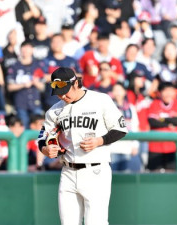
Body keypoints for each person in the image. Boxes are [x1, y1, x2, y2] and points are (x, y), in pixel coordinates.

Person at [37, 67, 127, 224]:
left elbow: (120, 129)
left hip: (96, 171)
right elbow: (42, 138)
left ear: (76, 83)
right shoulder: (54, 111)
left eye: (65, 90)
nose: (62, 95)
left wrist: (100, 141)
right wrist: (45, 149)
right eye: (58, 92)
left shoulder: (100, 100)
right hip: (68, 171)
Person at [147, 82, 177, 172]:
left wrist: (162, 119)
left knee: (171, 175)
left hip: (172, 147)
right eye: (165, 91)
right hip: (155, 147)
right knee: (154, 175)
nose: (168, 93)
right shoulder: (154, 104)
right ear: (160, 92)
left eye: (170, 91)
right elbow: (152, 122)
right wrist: (169, 123)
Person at [6, 40, 46, 128]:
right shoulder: (15, 66)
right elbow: (10, 87)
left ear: (32, 50)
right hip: (21, 103)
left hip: (36, 103)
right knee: (23, 128)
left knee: (39, 129)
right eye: (23, 48)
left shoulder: (38, 65)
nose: (26, 51)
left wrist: (36, 83)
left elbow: (42, 87)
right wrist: (23, 85)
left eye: (28, 48)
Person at [107, 82, 140, 172]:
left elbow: (135, 126)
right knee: (113, 176)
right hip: (112, 148)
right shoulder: (108, 108)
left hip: (127, 148)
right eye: (115, 90)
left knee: (126, 175)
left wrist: (135, 145)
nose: (117, 92)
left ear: (124, 92)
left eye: (120, 90)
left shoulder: (130, 108)